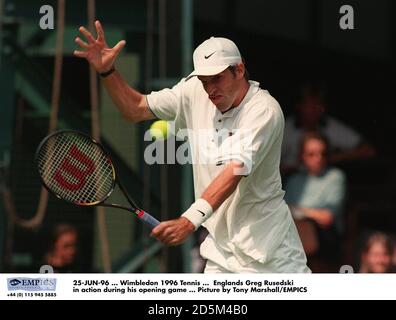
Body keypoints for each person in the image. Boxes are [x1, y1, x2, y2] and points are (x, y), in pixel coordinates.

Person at [74, 21, 310, 273]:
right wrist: (108, 71)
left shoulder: (264, 110)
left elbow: (235, 171)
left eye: (217, 78)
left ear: (239, 70)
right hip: (221, 254)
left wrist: (188, 221)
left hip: (271, 255)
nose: (210, 89)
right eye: (205, 81)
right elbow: (135, 109)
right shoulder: (194, 91)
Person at [284, 132, 346, 272]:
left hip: (325, 237)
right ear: (302, 156)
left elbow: (326, 218)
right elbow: (282, 211)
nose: (318, 159)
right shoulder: (294, 179)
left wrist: (299, 210)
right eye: (311, 154)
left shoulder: (334, 177)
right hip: (294, 233)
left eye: (322, 153)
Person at [281, 84, 376, 175]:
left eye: (319, 105)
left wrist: (330, 158)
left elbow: (368, 150)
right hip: (288, 179)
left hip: (323, 179)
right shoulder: (284, 128)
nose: (315, 109)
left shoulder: (331, 127)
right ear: (299, 106)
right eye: (310, 105)